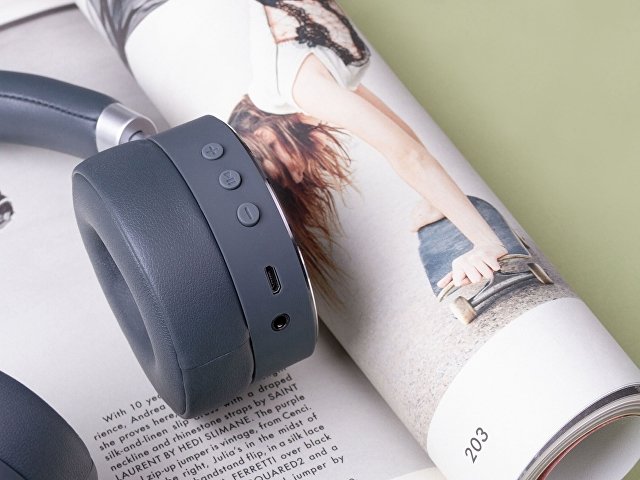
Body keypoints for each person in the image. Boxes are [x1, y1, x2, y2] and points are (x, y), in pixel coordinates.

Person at [230, 0, 507, 301]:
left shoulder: (300, 87)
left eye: (282, 171)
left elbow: (407, 155)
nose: (297, 176)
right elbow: (399, 135)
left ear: (265, 135)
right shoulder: (297, 84)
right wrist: (433, 201)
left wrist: (486, 243)